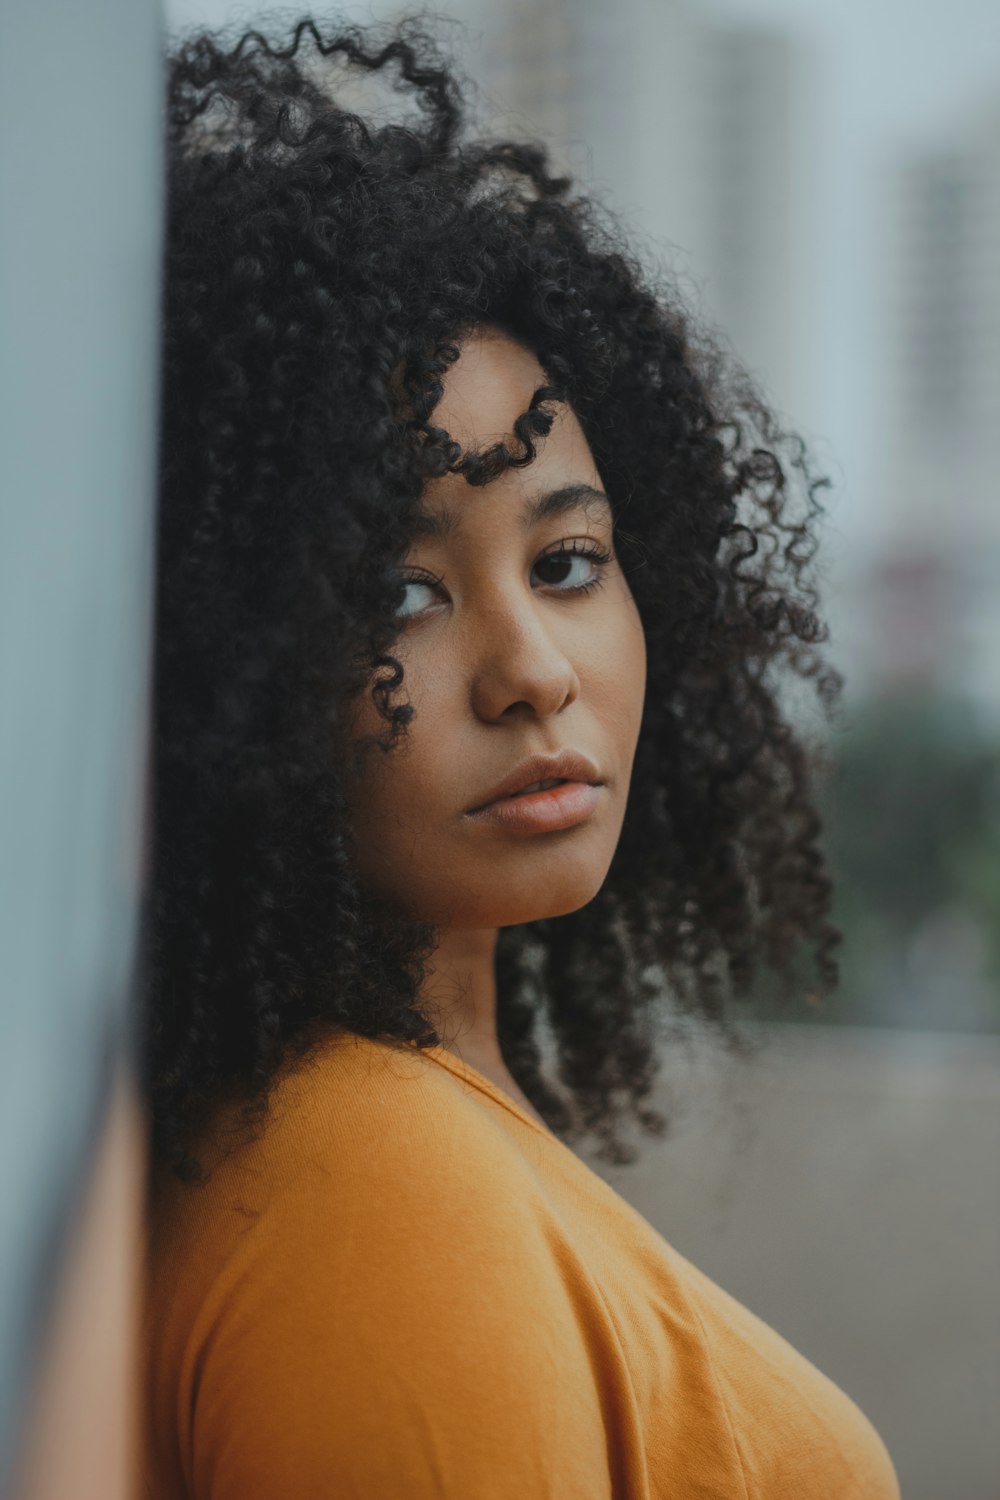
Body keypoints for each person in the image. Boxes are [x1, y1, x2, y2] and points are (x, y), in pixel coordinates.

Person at [139, 12, 901, 1497]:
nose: (534, 673)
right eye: (399, 596)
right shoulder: (373, 1190)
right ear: (227, 664)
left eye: (567, 561)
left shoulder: (414, 1133)